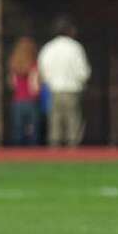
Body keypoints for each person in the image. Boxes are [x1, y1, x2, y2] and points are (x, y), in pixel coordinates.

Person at [37, 17, 91, 147]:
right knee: (73, 122)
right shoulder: (75, 47)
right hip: (72, 90)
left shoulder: (48, 48)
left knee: (55, 123)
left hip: (53, 90)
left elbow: (42, 69)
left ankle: (54, 152)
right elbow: (83, 71)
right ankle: (73, 152)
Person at [6, 36, 41, 146]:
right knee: (32, 132)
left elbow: (13, 84)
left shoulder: (14, 65)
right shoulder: (33, 64)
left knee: (18, 131)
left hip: (17, 101)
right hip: (31, 101)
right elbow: (34, 86)